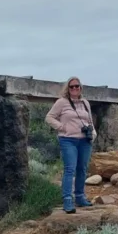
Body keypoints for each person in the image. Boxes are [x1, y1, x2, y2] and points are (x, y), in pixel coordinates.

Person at [45, 76, 97, 213]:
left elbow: (90, 121)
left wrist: (93, 132)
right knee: (70, 169)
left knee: (82, 169)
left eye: (77, 86)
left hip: (84, 140)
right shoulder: (62, 102)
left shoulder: (85, 103)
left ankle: (80, 197)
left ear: (80, 88)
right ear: (67, 88)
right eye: (71, 86)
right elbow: (49, 117)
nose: (74, 88)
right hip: (68, 140)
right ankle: (67, 200)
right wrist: (62, 127)